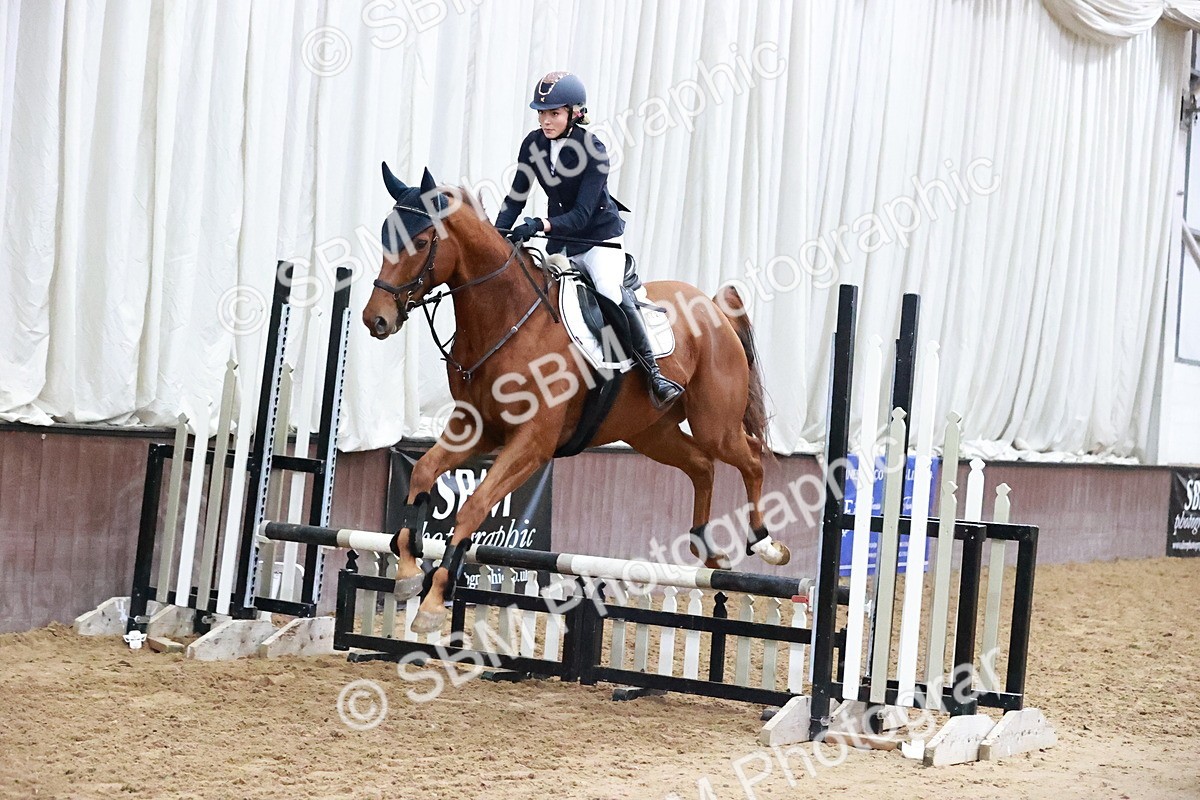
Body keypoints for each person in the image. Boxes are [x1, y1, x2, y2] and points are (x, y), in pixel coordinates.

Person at [495, 71, 683, 410]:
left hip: (598, 242)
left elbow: (582, 215)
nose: (545, 120)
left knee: (609, 293)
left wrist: (541, 223)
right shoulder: (533, 145)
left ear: (574, 113)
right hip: (561, 246)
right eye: (541, 113)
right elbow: (516, 197)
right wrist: (497, 236)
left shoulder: (592, 150)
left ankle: (651, 372)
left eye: (553, 113)